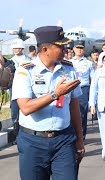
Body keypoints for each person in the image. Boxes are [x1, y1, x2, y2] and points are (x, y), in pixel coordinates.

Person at [11, 26, 84, 180]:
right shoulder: (25, 71)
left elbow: (74, 106)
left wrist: (79, 139)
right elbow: (25, 107)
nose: (66, 49)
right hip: (33, 142)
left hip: (63, 140)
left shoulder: (69, 69)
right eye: (61, 46)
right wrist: (55, 94)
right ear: (45, 49)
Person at [70, 40, 94, 139]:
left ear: (84, 49)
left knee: (82, 114)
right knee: (71, 113)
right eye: (77, 48)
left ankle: (81, 136)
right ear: (73, 49)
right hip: (72, 89)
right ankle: (72, 136)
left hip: (84, 89)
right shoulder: (69, 62)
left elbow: (92, 78)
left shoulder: (89, 63)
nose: (79, 50)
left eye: (81, 48)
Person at [10, 39, 32, 137]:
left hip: (26, 87)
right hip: (13, 89)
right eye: (14, 48)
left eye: (18, 48)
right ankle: (17, 135)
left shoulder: (28, 60)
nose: (16, 50)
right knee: (14, 112)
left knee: (26, 111)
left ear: (22, 48)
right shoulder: (10, 60)